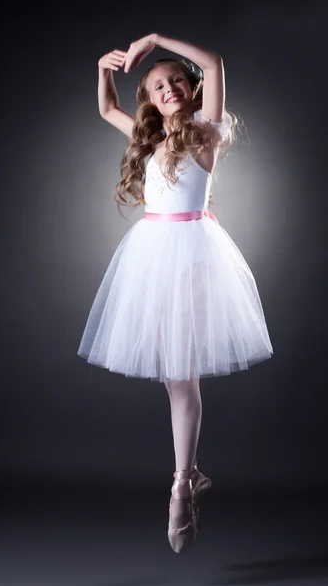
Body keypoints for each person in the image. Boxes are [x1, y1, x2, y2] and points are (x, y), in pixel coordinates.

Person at [77, 33, 273, 554]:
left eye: (177, 81)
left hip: (190, 253)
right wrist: (104, 66)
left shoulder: (205, 133)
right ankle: (188, 475)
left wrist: (156, 40)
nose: (169, 89)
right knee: (173, 376)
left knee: (181, 371)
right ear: (149, 99)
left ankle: (181, 483)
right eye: (158, 86)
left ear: (192, 88)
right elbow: (105, 107)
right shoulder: (144, 138)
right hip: (150, 254)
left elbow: (215, 60)